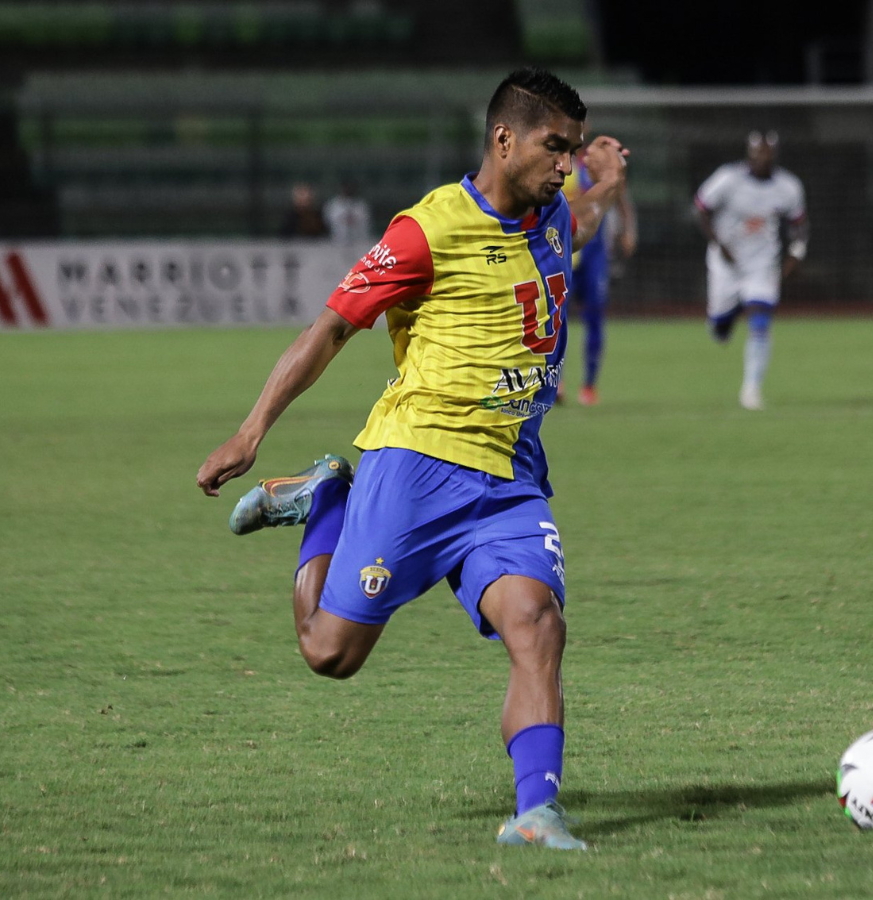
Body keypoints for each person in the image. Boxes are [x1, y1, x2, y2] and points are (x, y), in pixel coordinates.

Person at [196, 67, 629, 851]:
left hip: (511, 478)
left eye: (570, 152)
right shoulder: (426, 230)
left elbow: (585, 218)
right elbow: (329, 329)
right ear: (504, 140)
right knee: (329, 654)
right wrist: (251, 429)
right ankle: (327, 499)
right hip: (415, 464)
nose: (563, 166)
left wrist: (605, 179)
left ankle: (536, 814)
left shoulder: (554, 212)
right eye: (553, 147)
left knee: (537, 625)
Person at [693, 130, 808, 411]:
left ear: (775, 155)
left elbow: (799, 227)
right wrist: (718, 244)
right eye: (757, 153)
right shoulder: (728, 179)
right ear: (749, 154)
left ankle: (751, 389)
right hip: (727, 264)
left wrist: (795, 255)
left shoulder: (788, 187)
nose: (761, 159)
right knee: (719, 330)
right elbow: (701, 208)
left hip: (762, 264)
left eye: (767, 154)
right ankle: (724, 319)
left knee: (760, 319)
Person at [561, 143, 637, 405]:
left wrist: (627, 230)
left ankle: (589, 385)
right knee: (556, 319)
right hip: (565, 252)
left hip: (595, 253)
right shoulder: (557, 166)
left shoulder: (594, 165)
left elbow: (619, 195)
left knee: (595, 316)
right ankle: (555, 382)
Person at [322, 179, 372, 246]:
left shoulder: (361, 205)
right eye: (346, 188)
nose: (348, 190)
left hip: (359, 242)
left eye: (350, 188)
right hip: (336, 242)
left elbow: (366, 220)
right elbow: (328, 221)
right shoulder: (333, 205)